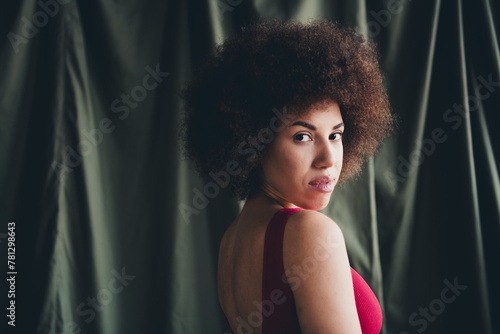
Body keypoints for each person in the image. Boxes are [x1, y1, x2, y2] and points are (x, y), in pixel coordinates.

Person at [180, 19, 395, 334]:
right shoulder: (311, 231)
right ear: (252, 142)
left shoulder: (231, 241)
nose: (328, 159)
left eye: (335, 135)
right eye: (303, 137)